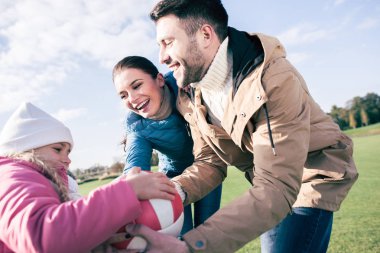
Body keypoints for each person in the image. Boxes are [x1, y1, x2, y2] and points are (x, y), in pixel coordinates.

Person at [125, 1, 359, 252]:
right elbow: (210, 162)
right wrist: (174, 191)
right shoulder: (192, 90)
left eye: (168, 42)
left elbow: (277, 188)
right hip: (267, 185)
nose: (162, 57)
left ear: (205, 35)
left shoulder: (272, 80)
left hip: (311, 174)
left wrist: (190, 247)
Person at [0, 102, 176, 253]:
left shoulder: (32, 177)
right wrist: (128, 190)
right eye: (58, 149)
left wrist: (93, 241)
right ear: (27, 148)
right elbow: (41, 237)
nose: (67, 159)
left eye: (68, 151)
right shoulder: (13, 176)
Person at [112, 55, 222, 234]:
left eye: (137, 85)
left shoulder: (184, 84)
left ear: (159, 80)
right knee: (181, 238)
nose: (131, 98)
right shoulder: (137, 128)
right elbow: (134, 170)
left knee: (209, 233)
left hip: (209, 166)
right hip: (170, 179)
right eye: (123, 95)